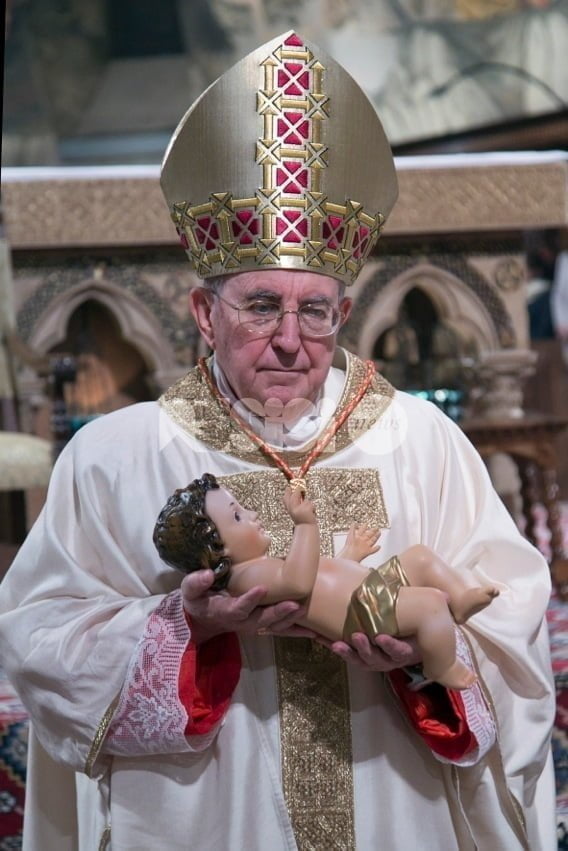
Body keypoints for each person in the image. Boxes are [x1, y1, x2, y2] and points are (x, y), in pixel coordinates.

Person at [0, 30, 556, 851]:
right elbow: (41, 639)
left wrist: (421, 655)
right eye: (261, 306)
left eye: (315, 311)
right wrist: (185, 625)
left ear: (344, 313)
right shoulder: (114, 458)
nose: (291, 340)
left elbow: (515, 619)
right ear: (204, 313)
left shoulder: (422, 441)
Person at [154, 474, 500, 689]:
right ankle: (441, 665)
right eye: (237, 515)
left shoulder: (259, 564)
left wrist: (350, 556)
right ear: (218, 548)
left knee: (421, 557)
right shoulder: (247, 577)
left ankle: (461, 598)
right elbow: (299, 585)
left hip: (366, 595)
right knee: (430, 603)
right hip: (362, 614)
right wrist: (305, 524)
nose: (253, 514)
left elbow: (323, 581)